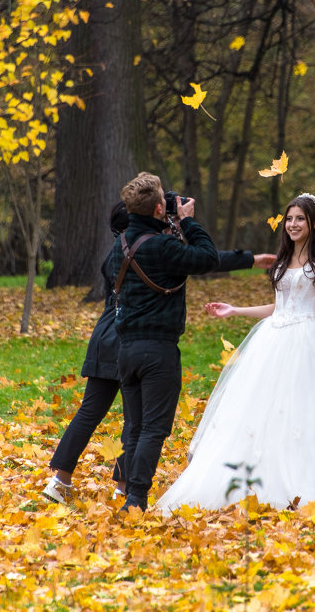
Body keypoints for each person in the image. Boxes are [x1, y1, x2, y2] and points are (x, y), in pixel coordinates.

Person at [155, 192, 315, 511]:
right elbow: (278, 307)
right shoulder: (283, 259)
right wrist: (235, 310)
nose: (293, 224)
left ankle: (310, 477)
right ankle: (258, 478)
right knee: (264, 409)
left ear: (314, 223)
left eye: (300, 219)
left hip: (310, 341)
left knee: (309, 408)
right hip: (272, 341)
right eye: (289, 219)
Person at [42, 202, 273, 505]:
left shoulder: (117, 251)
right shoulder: (157, 249)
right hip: (134, 337)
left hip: (107, 334)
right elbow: (203, 259)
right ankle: (124, 487)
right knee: (135, 421)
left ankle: (60, 479)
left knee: (93, 411)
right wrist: (250, 259)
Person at [112, 172, 219, 512]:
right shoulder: (163, 246)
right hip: (158, 350)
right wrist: (187, 222)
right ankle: (136, 499)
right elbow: (208, 257)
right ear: (160, 209)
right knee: (153, 429)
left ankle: (130, 495)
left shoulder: (121, 245)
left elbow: (105, 273)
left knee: (134, 426)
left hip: (126, 348)